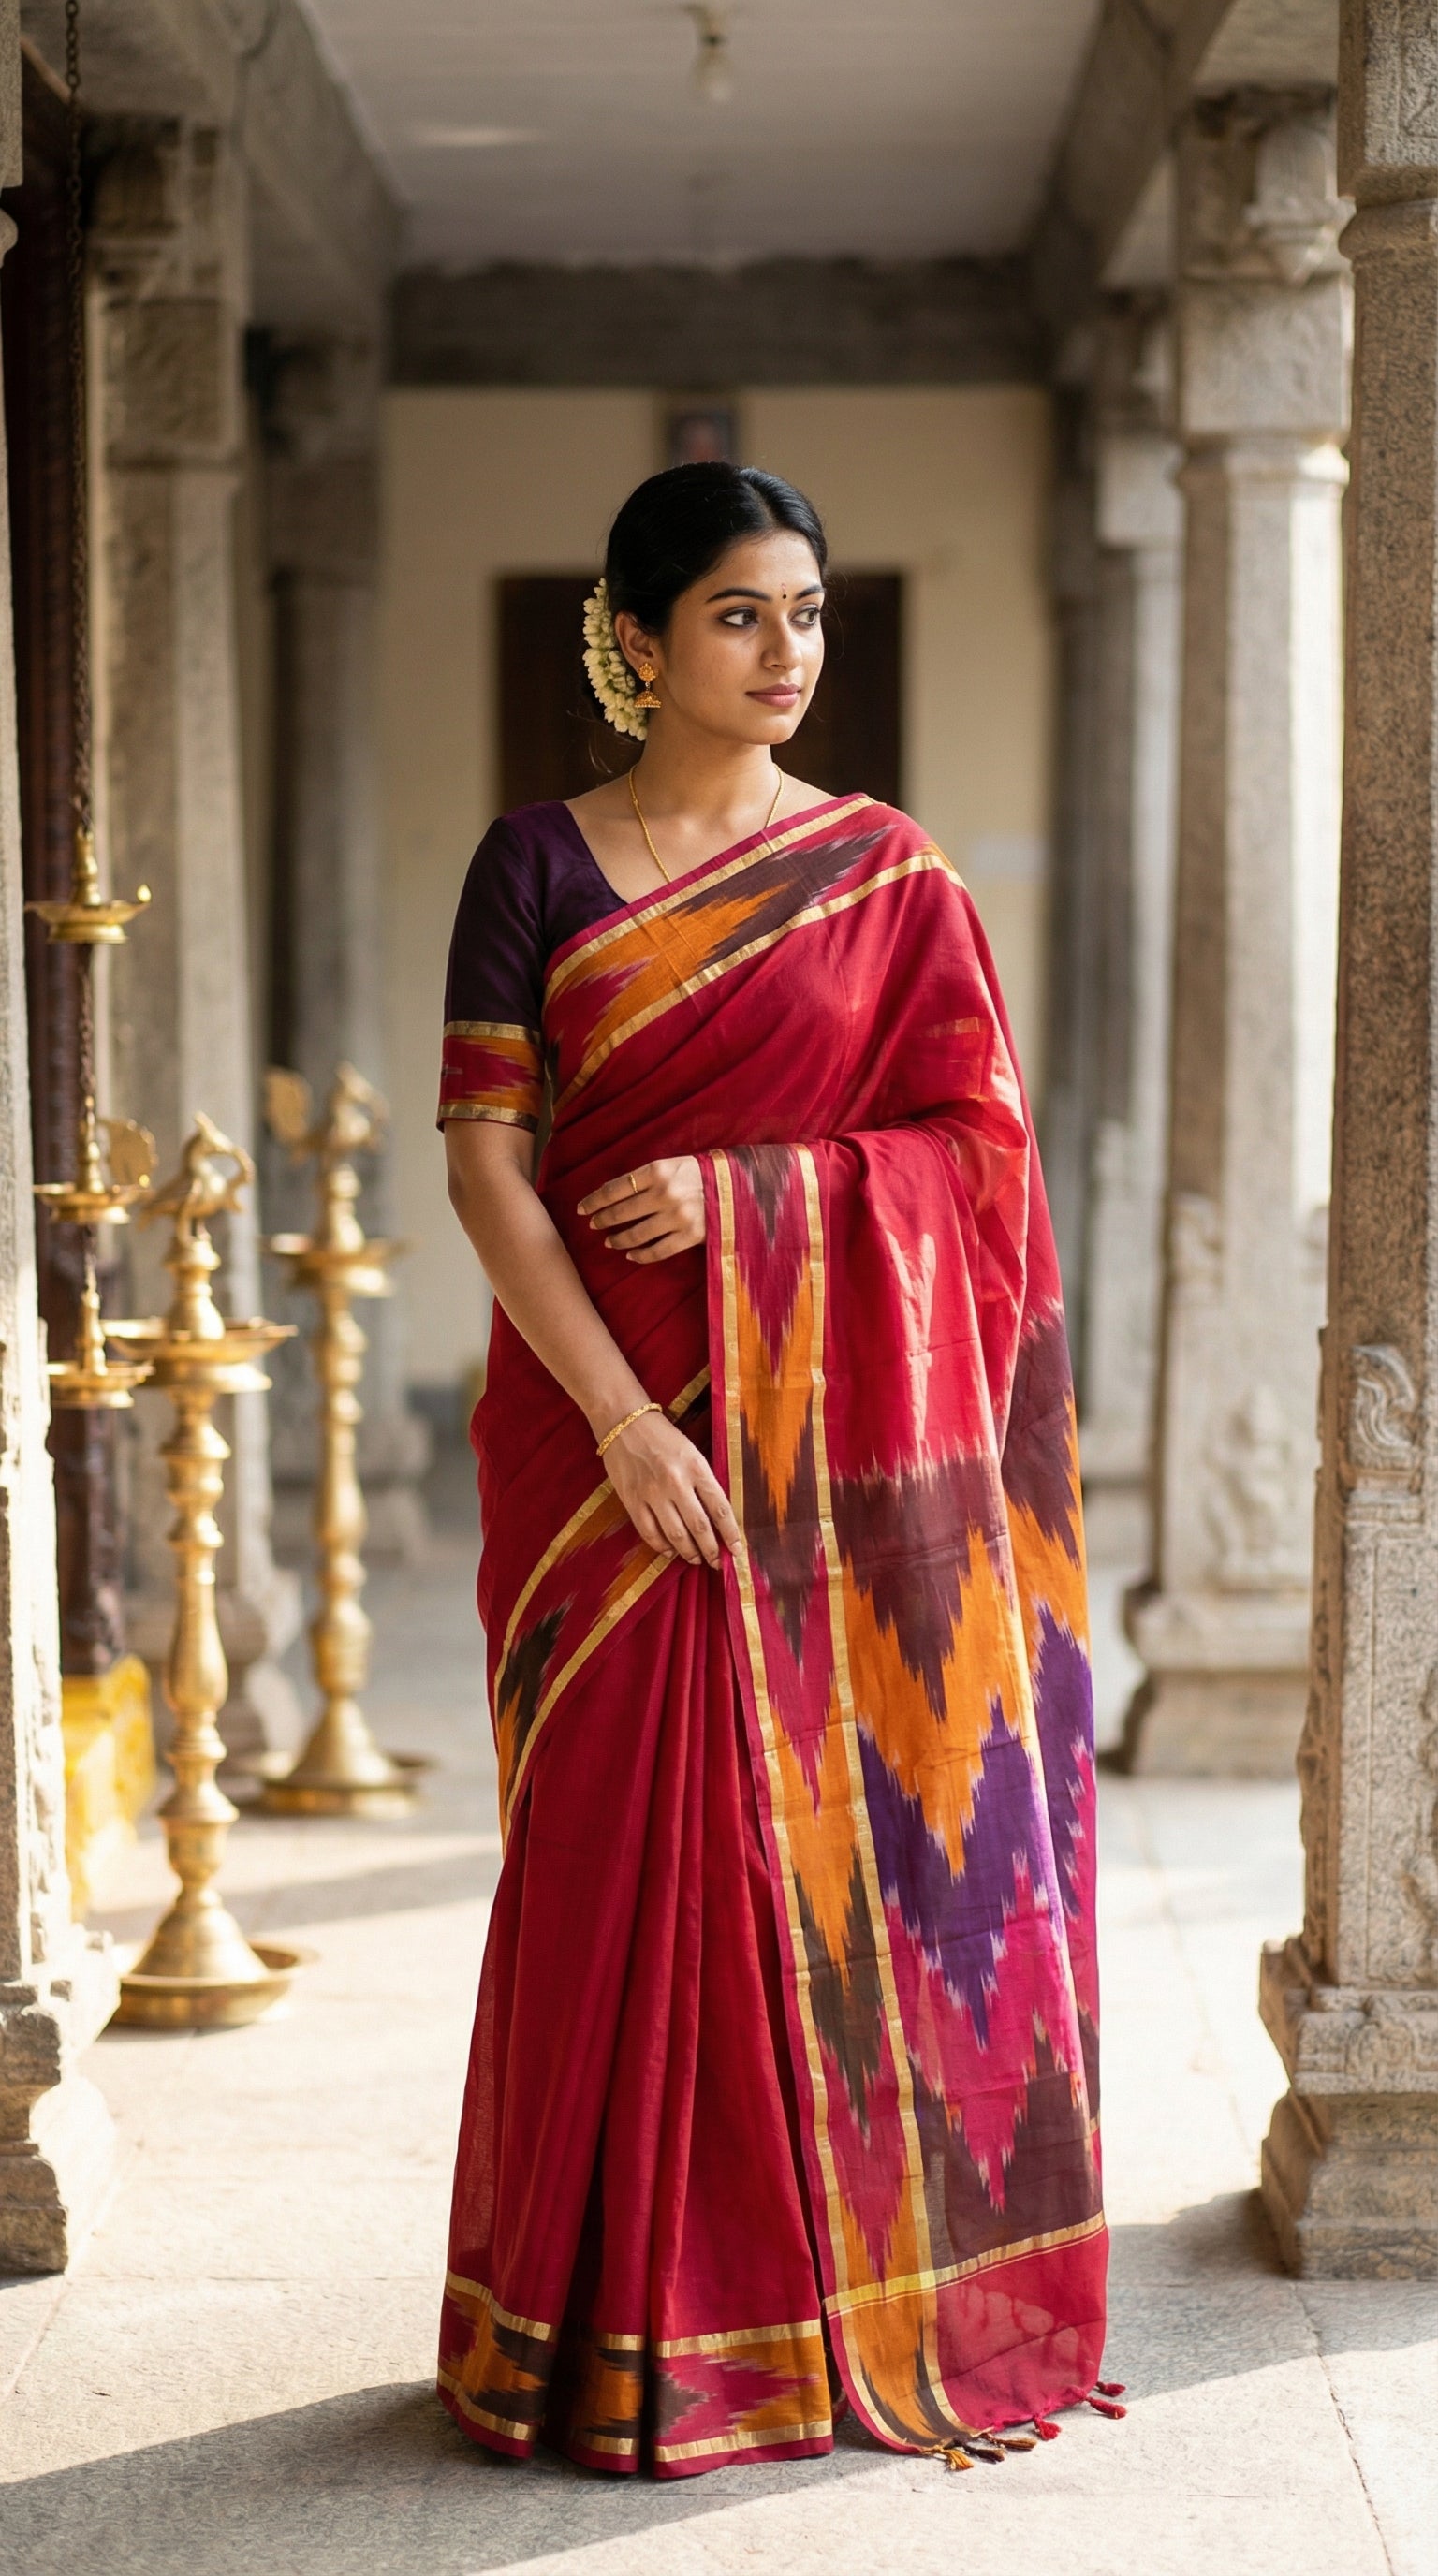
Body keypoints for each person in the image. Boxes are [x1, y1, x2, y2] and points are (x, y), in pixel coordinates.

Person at [436, 462, 1108, 2481]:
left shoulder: (888, 873)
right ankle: (587, 2332)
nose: (785, 652)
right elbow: (486, 1161)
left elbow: (976, 1166)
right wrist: (631, 1427)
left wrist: (753, 1196)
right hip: (598, 1432)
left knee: (797, 1836)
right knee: (609, 1852)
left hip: (828, 1439)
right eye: (741, 615)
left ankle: (796, 2321)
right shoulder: (537, 863)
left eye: (806, 613)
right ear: (636, 639)